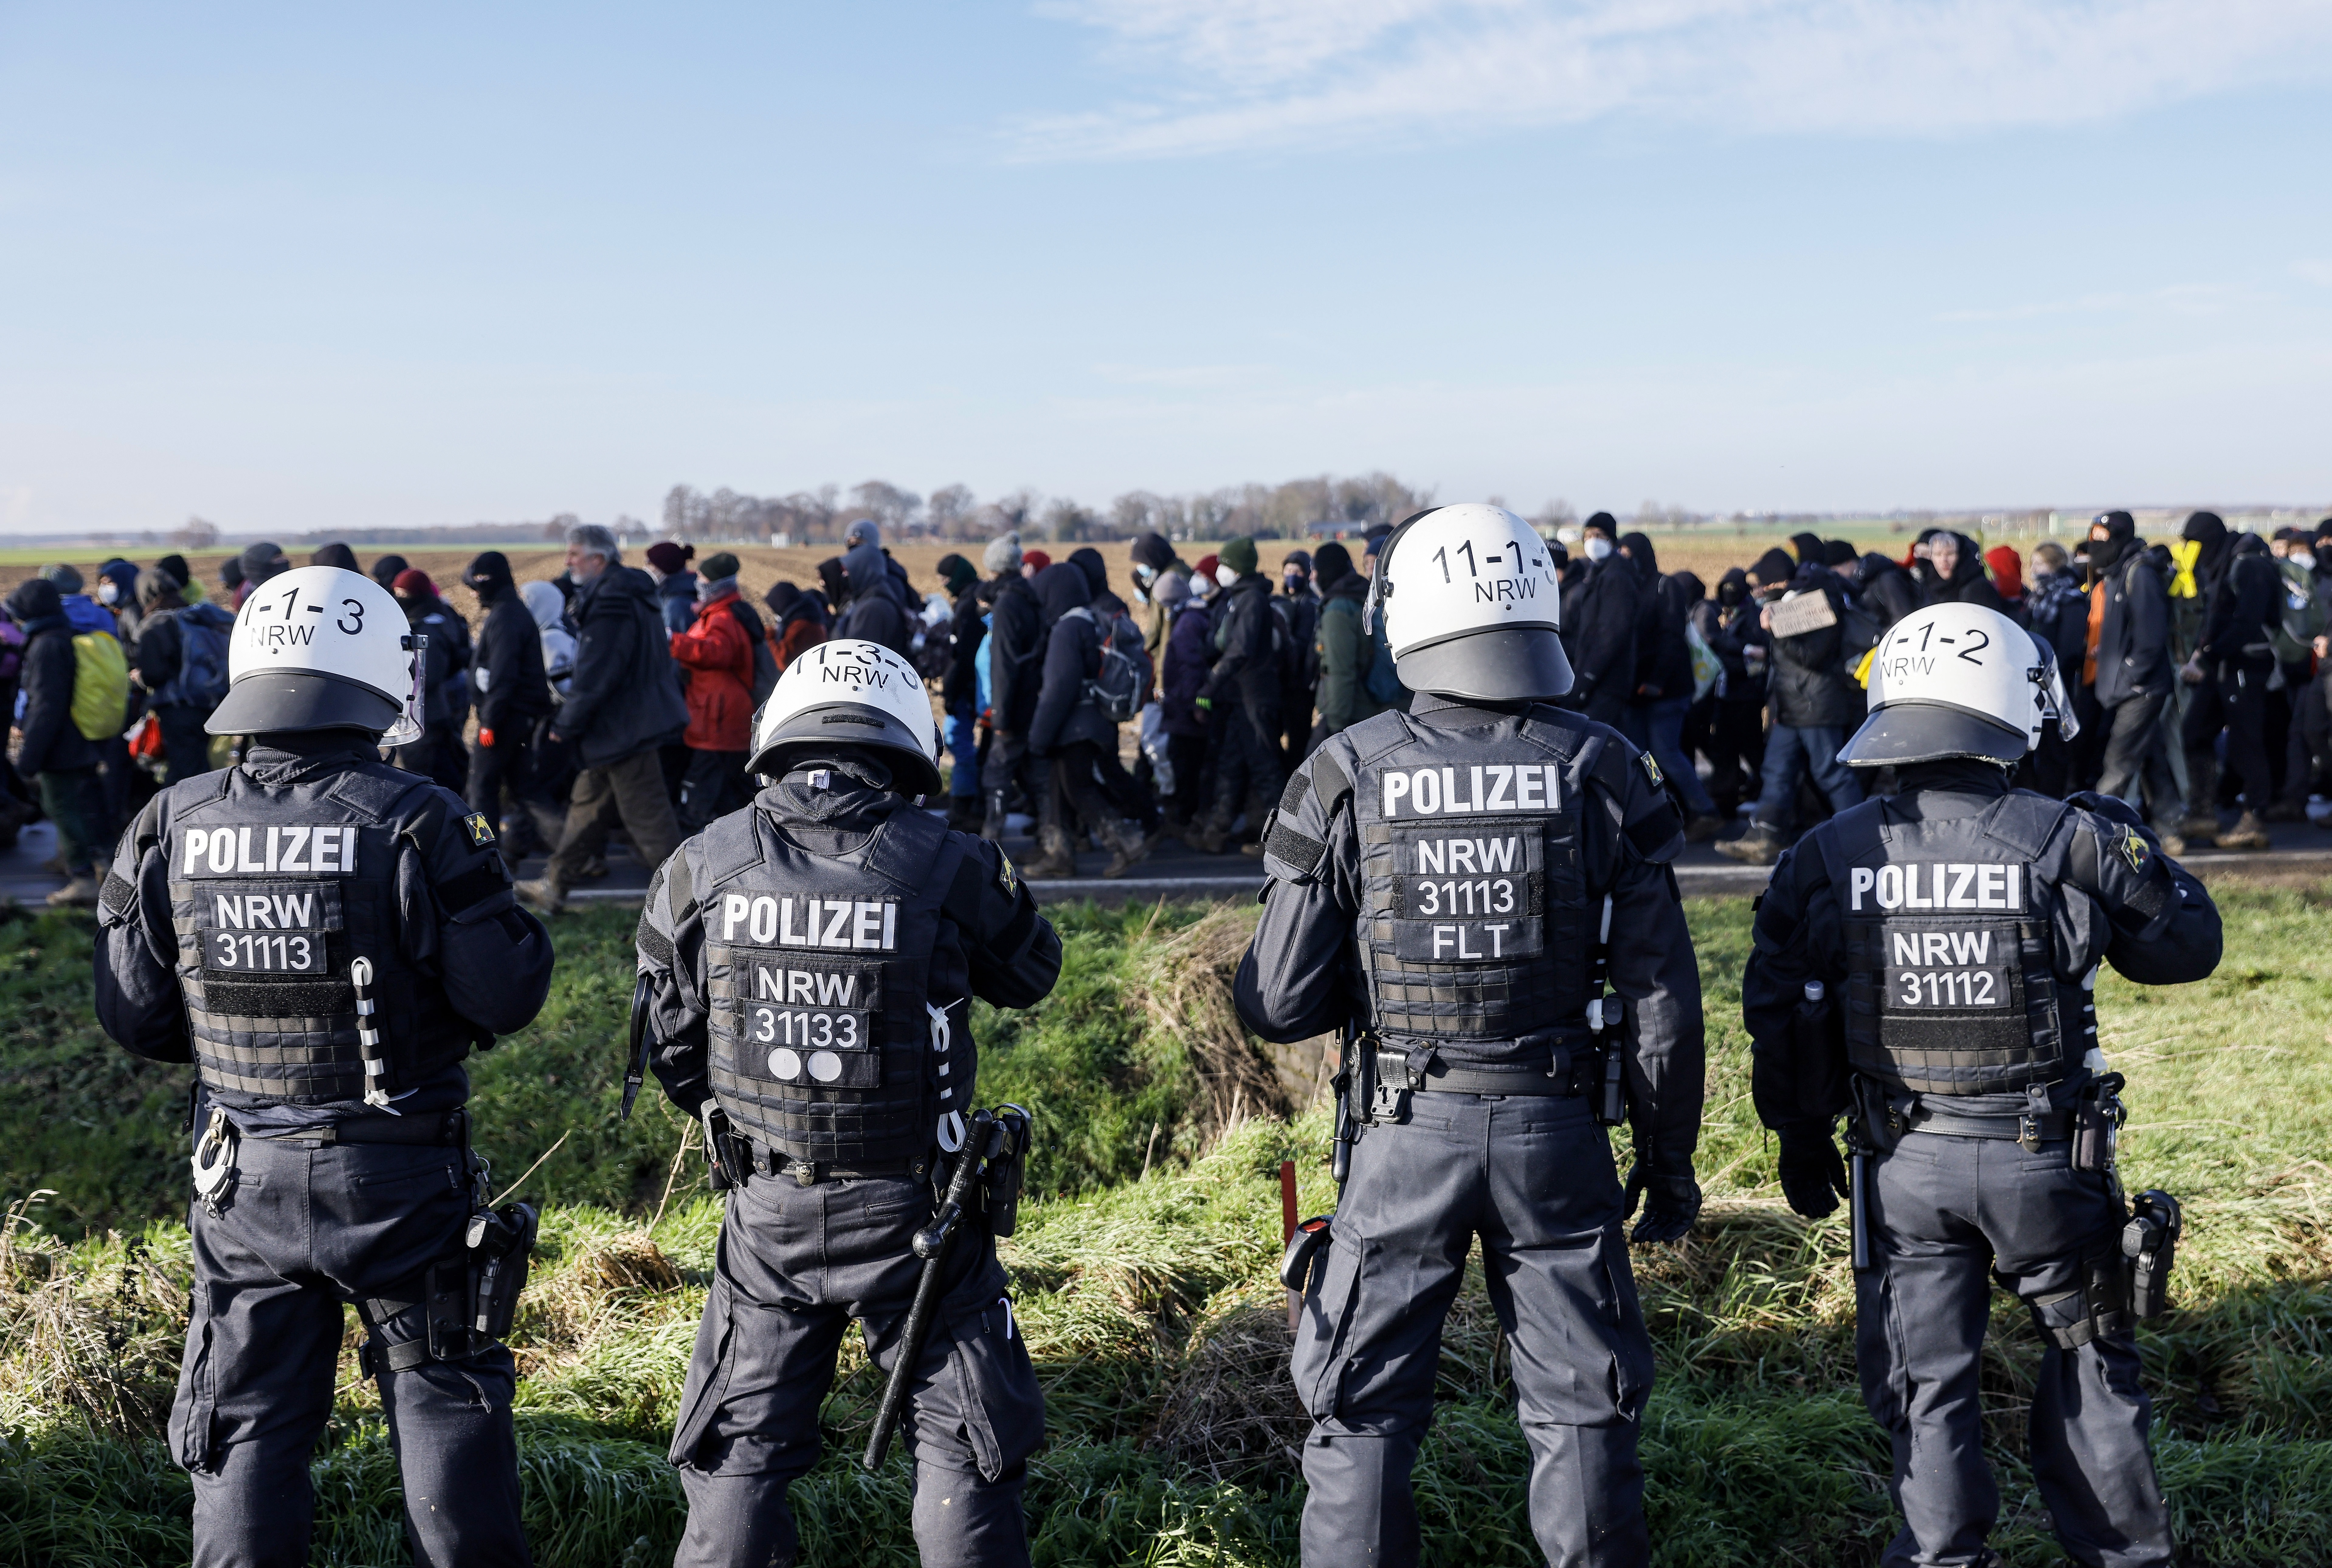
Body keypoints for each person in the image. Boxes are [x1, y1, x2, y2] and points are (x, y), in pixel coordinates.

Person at [1234, 503, 1702, 1568]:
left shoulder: (1347, 768)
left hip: (1402, 1134)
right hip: (1561, 1129)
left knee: (1359, 1410)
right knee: (1583, 1410)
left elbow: (1279, 1004)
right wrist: (1668, 1165)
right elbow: (1664, 1001)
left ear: (1410, 619)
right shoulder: (1606, 766)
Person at [91, 562, 554, 1568]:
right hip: (403, 1177)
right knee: (446, 1415)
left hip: (243, 1177)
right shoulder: (418, 818)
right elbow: (506, 995)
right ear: (379, 681)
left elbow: (135, 1016)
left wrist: (240, 1057)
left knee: (249, 1433)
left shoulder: (170, 821)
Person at [1744, 600, 2219, 1568]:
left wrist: (1797, 1135)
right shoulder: (2067, 836)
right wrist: (2124, 842)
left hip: (1900, 1169)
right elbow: (2187, 951)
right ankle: (2127, 1558)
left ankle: (1939, 1557)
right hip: (2045, 1163)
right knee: (2090, 1367)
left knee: (1925, 1387)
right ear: (2014, 707)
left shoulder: (1826, 852)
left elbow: (1778, 1009)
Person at [635, 638, 1060, 1568]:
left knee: (738, 1451)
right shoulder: (946, 861)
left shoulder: (700, 863)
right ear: (902, 744)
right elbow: (1034, 971)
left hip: (766, 1215)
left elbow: (669, 1051)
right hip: (921, 1216)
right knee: (963, 1445)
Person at [517, 523, 690, 912]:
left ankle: (688, 903)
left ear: (598, 558)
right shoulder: (629, 591)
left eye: (575, 554)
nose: (568, 561)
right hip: (626, 725)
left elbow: (598, 672)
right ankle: (555, 885)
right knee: (587, 807)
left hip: (623, 727)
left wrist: (567, 724)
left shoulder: (612, 600)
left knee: (650, 821)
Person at [1717, 553, 1867, 865]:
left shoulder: (1816, 605)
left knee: (1831, 774)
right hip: (1793, 706)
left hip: (1817, 705)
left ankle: (1862, 840)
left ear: (1777, 581)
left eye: (1761, 584)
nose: (1757, 591)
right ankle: (1766, 838)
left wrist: (1775, 631)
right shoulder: (1790, 603)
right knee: (1776, 771)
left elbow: (1812, 657)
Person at [1022, 561, 1149, 880]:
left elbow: (1059, 687)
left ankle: (1127, 842)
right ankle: (1059, 854)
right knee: (1061, 789)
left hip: (1074, 727)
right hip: (1090, 723)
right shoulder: (1090, 621)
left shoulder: (1067, 629)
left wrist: (1039, 735)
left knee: (1080, 789)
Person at [6, 578, 111, 905]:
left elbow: (46, 704)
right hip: (78, 736)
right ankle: (93, 865)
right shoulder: (64, 635)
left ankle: (82, 877)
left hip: (60, 744)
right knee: (79, 804)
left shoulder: (46, 645)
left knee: (62, 806)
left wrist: (29, 758)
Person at [2178, 522, 2279, 850]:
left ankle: (2254, 817)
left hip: (2245, 665)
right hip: (2223, 664)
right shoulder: (2223, 563)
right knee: (2195, 730)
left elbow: (2247, 624)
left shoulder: (2249, 565)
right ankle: (2202, 811)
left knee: (2245, 742)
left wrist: (2206, 657)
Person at [2085, 518, 2184, 849]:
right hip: (2129, 686)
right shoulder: (2118, 572)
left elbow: (2150, 634)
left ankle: (2095, 834)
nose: (2095, 546)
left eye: (2102, 538)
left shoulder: (2137, 573)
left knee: (2119, 758)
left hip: (2141, 689)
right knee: (2150, 755)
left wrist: (2129, 672)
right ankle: (2170, 827)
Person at [1616, 533, 1722, 841]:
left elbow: (1671, 639)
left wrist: (1655, 681)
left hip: (1666, 691)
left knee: (1665, 752)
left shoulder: (1666, 586)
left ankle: (1703, 809)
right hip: (1636, 692)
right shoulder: (1626, 586)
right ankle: (1658, 808)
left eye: (1628, 552)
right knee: (1643, 757)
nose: (1624, 558)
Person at [1185, 538, 1283, 855]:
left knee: (1265, 771)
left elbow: (1240, 649)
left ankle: (1284, 843)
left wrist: (1211, 684)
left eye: (1225, 565)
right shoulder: (1236, 599)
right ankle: (1217, 832)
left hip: (1255, 698)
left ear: (1238, 568)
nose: (1220, 571)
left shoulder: (1252, 600)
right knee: (1231, 766)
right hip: (1238, 698)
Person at [463, 552, 553, 864]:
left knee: (480, 787)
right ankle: (572, 849)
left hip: (503, 720)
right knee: (525, 789)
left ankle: (482, 853)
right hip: (518, 717)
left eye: (475, 587)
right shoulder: (512, 612)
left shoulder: (505, 618)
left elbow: (504, 675)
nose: (473, 595)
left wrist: (489, 721)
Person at [671, 551, 756, 834]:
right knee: (732, 785)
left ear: (718, 584)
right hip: (718, 713)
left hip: (718, 717)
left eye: (704, 579)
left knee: (704, 783)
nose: (699, 583)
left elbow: (717, 653)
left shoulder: (723, 618)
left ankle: (694, 844)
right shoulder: (719, 612)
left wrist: (674, 642)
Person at [132, 563, 237, 785]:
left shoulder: (157, 623)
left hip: (179, 709)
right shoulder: (203, 615)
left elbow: (154, 674)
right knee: (204, 765)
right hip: (215, 702)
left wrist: (139, 677)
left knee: (184, 771)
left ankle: (182, 816)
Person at [979, 537, 1046, 842]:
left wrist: (1001, 717)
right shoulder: (1029, 597)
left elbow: (1004, 665)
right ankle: (1056, 840)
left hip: (1013, 708)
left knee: (996, 775)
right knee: (1036, 775)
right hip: (1032, 702)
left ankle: (990, 841)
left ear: (993, 567)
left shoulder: (1007, 604)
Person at [389, 569, 473, 794]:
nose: (399, 598)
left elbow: (429, 677)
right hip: (430, 715)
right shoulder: (428, 620)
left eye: (402, 593)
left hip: (427, 718)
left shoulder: (428, 630)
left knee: (430, 776)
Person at [1561, 512, 1639, 728]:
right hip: (1597, 679)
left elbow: (1611, 634)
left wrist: (1588, 677)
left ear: (1611, 540)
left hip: (1607, 681)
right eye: (1588, 535)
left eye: (1599, 535)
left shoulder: (1617, 577)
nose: (1593, 541)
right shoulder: (1597, 572)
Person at [1155, 571, 1212, 837]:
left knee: (1186, 766)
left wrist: (1192, 705)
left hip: (1184, 711)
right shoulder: (1194, 618)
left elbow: (1191, 668)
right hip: (1184, 707)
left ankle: (1186, 821)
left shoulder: (1187, 623)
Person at [1309, 541, 1383, 743]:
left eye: (1315, 570)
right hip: (1380, 709)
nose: (1312, 577)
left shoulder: (1339, 610)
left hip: (1355, 715)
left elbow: (1341, 672)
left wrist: (1334, 726)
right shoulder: (1365, 594)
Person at [933, 554, 987, 830]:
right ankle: (968, 803)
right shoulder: (975, 596)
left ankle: (965, 805)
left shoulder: (968, 605)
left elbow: (964, 655)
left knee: (958, 741)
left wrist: (953, 690)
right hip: (975, 686)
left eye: (946, 579)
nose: (944, 585)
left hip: (968, 688)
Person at [1278, 549, 1322, 762]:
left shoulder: (1311, 604)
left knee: (1298, 737)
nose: (1292, 575)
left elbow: (1306, 646)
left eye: (1298, 571)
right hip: (1282, 682)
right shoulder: (1281, 601)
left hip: (1301, 685)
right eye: (1288, 570)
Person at [1128, 529, 1192, 659]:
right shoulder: (1182, 572)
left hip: (1169, 658)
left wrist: (1138, 652)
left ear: (1153, 558)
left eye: (1143, 562)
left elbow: (1157, 631)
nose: (1141, 567)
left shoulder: (1168, 584)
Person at [1914, 531, 2005, 612]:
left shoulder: (1977, 588)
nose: (1944, 560)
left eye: (1950, 554)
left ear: (1960, 556)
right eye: (1938, 554)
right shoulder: (1928, 585)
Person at [646, 541, 701, 635]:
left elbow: (675, 645)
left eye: (649, 563)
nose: (647, 568)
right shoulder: (680, 591)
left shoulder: (676, 605)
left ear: (664, 567)